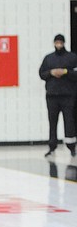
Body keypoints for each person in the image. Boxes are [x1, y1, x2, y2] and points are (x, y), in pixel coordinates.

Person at [39, 34, 77, 176]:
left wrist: (65, 72)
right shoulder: (49, 58)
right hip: (52, 96)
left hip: (68, 96)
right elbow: (41, 73)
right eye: (57, 42)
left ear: (64, 43)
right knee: (52, 122)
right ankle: (52, 146)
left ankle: (71, 147)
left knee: (69, 122)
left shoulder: (72, 57)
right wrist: (51, 72)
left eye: (61, 42)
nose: (59, 44)